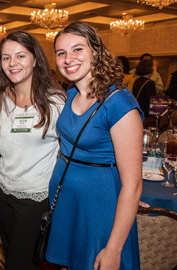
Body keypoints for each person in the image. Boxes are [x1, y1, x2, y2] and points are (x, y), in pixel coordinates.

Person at [47, 21, 143, 270]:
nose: (68, 58)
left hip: (98, 207)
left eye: (77, 49)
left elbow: (132, 184)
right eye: (61, 53)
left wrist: (114, 248)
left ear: (96, 52)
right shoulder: (69, 95)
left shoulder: (119, 103)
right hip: (68, 202)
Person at [0, 31, 65, 270]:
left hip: (35, 197)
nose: (12, 63)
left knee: (19, 263)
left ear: (35, 59)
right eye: (6, 57)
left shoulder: (55, 103)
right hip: (2, 192)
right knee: (12, 254)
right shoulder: (0, 99)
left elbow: (73, 152)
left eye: (20, 55)